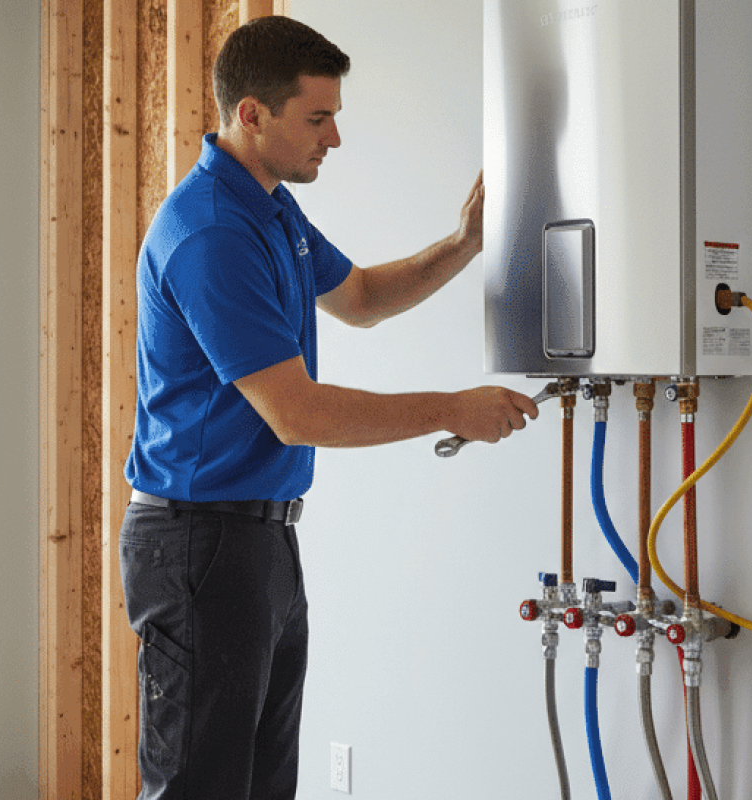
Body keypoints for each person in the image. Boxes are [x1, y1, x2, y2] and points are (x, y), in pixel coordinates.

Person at [118, 15, 537, 800]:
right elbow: (296, 413)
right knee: (201, 787)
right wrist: (450, 407)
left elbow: (365, 299)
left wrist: (464, 242)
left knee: (265, 784)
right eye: (318, 118)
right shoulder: (212, 231)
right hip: (197, 544)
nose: (334, 138)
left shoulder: (271, 209)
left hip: (260, 541)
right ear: (251, 114)